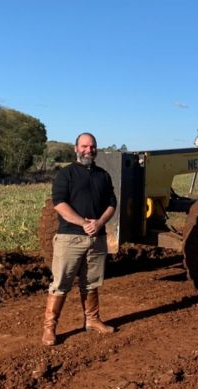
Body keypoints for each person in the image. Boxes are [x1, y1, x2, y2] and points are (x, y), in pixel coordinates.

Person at [42, 132, 117, 346]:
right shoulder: (66, 174)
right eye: (84, 146)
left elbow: (112, 203)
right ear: (76, 148)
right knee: (61, 283)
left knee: (92, 282)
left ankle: (92, 320)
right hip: (70, 238)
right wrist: (83, 223)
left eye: (92, 146)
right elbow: (59, 204)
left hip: (97, 238)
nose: (88, 150)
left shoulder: (103, 175)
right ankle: (49, 329)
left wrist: (100, 223)